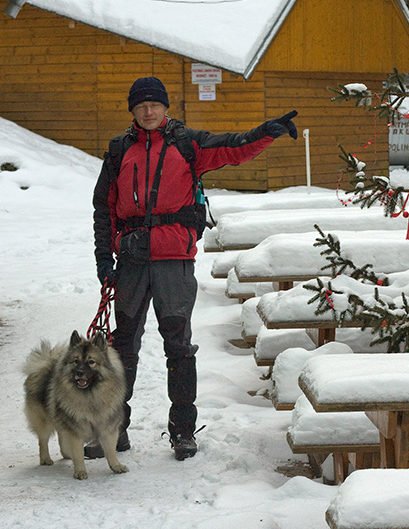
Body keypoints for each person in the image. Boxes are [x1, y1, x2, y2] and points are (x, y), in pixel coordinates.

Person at [91, 76, 297, 460]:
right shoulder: (120, 151)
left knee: (179, 348)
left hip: (174, 262)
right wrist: (105, 258)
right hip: (132, 261)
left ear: (166, 108)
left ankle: (183, 430)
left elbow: (234, 147)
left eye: (155, 105)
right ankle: (112, 429)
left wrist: (267, 132)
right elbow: (103, 209)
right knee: (122, 349)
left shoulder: (188, 144)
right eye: (141, 107)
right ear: (133, 111)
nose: (149, 112)